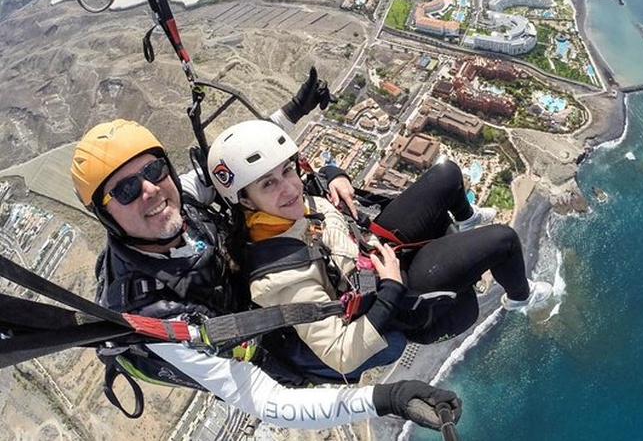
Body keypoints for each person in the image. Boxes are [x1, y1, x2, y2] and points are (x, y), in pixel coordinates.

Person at [69, 118, 461, 431]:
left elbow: (243, 167)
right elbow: (271, 402)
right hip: (285, 353)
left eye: (154, 169)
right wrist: (387, 399)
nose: (150, 190)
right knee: (398, 340)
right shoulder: (153, 318)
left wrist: (294, 116)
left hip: (285, 294)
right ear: (104, 215)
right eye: (125, 191)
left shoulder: (180, 196)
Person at [205, 120, 554, 381]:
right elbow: (340, 355)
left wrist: (334, 174)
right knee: (504, 241)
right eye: (269, 183)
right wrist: (390, 289)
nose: (290, 187)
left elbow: (312, 181)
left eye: (287, 171)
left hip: (372, 251)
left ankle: (466, 219)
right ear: (244, 202)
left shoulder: (282, 206)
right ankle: (522, 299)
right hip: (398, 297)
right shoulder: (280, 276)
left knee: (447, 173)